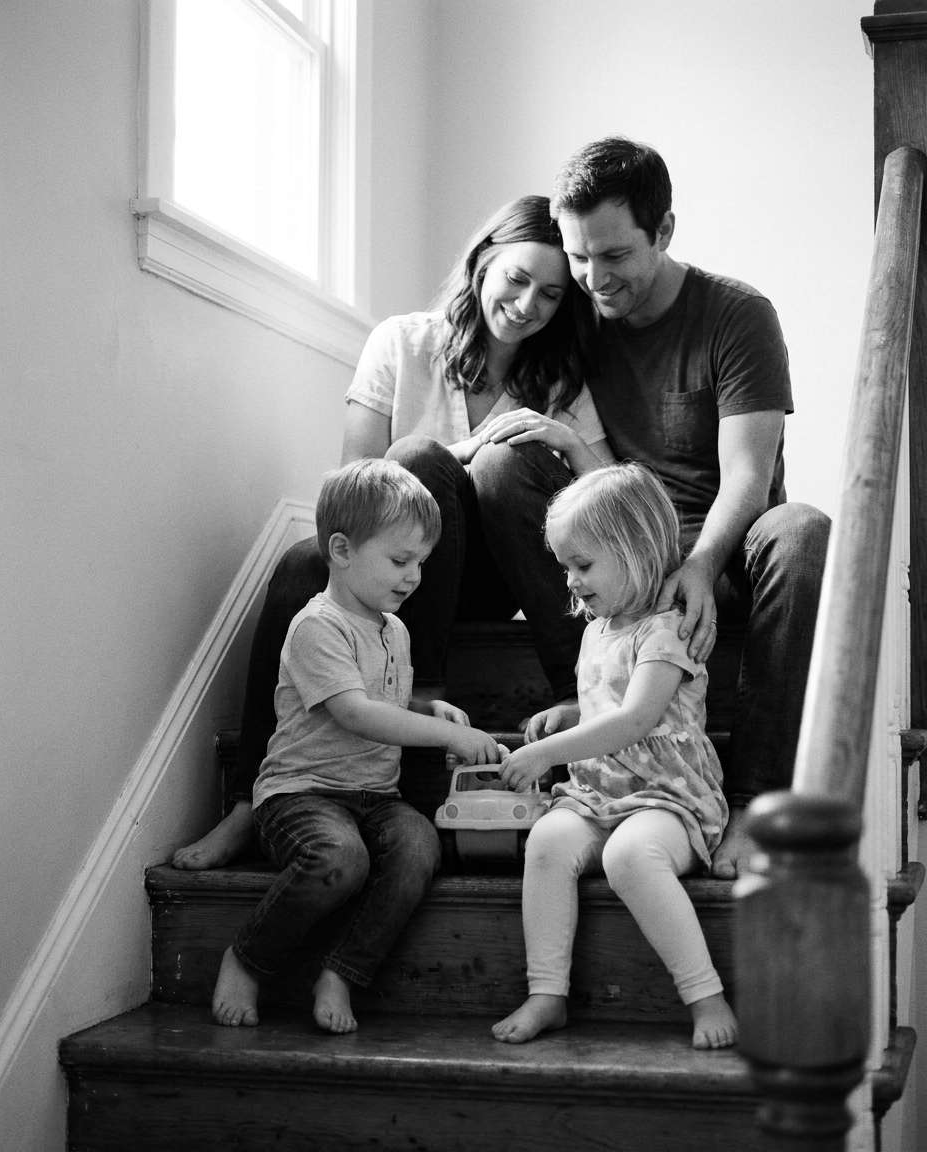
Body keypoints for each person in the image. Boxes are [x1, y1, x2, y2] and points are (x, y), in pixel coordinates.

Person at [174, 194, 612, 872]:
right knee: (312, 554)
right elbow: (353, 485)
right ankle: (250, 803)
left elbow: (614, 502)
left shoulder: (559, 380)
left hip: (489, 578)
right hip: (398, 577)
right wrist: (455, 456)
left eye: (551, 295)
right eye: (517, 279)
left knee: (499, 464)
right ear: (483, 262)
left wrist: (570, 443)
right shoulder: (403, 342)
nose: (528, 305)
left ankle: (571, 687)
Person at [548, 136, 830, 879]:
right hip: (623, 556)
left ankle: (756, 802)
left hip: (726, 556)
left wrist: (700, 564)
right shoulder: (579, 316)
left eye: (614, 255)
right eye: (578, 256)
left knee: (802, 531)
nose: (594, 278)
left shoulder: (737, 314)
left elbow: (749, 475)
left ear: (664, 231)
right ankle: (582, 709)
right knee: (509, 465)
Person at [212, 458, 501, 1032]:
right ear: (341, 551)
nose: (414, 577)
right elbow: (356, 712)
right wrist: (451, 735)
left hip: (376, 796)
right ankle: (247, 959)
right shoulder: (316, 626)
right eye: (400, 560)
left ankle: (342, 972)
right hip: (301, 794)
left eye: (421, 562)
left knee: (419, 848)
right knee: (340, 860)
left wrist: (427, 710)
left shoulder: (395, 628)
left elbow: (383, 699)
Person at [492, 464, 737, 1049]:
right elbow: (605, 705)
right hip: (599, 793)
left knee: (630, 855)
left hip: (668, 797)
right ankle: (547, 993)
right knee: (547, 841)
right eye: (565, 567)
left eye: (582, 565)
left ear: (635, 550)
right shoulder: (595, 632)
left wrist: (547, 752)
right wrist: (568, 715)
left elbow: (635, 719)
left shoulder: (667, 630)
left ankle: (705, 995)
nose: (571, 581)